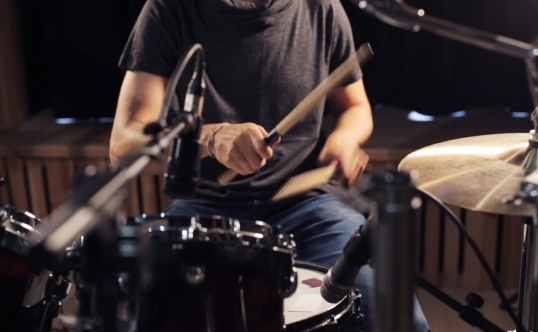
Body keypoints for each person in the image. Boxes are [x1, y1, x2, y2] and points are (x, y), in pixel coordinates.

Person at [109, 0, 430, 330]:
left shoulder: (321, 8)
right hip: (203, 208)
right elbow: (123, 144)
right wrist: (209, 138)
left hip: (310, 204)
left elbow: (355, 106)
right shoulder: (169, 9)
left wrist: (346, 138)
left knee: (403, 323)